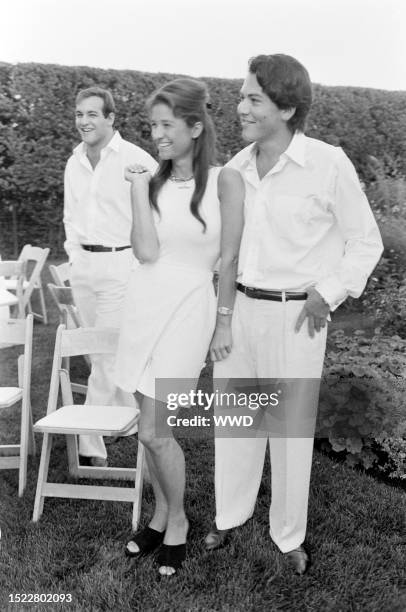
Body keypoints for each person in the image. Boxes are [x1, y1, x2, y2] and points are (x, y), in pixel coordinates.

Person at [205, 54, 384, 574]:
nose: (239, 107)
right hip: (238, 313)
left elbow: (363, 241)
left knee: (287, 432)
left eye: (252, 98)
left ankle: (287, 535)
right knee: (234, 423)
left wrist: (327, 292)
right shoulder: (236, 168)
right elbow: (225, 250)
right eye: (241, 96)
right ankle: (230, 517)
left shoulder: (328, 163)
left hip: (296, 319)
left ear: (286, 108)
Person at [114, 77, 244, 576]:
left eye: (167, 125)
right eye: (153, 125)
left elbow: (228, 258)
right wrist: (137, 187)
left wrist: (224, 322)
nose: (157, 135)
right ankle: (160, 515)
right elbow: (146, 252)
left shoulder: (226, 180)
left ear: (195, 125)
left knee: (154, 430)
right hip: (143, 305)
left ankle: (181, 521)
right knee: (147, 431)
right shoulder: (152, 181)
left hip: (191, 308)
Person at [63, 87, 158, 466]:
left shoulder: (135, 158)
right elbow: (71, 215)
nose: (84, 121)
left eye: (92, 114)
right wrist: (73, 258)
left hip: (120, 267)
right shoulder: (74, 161)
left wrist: (140, 260)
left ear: (110, 118)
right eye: (78, 113)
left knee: (104, 357)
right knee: (100, 352)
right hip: (83, 267)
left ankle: (89, 444)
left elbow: (160, 208)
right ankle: (127, 420)